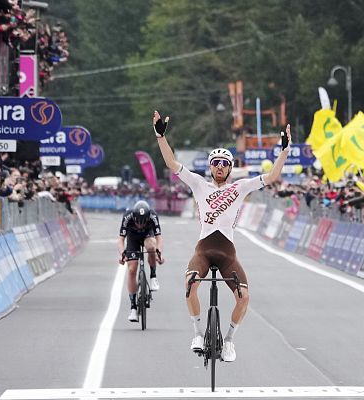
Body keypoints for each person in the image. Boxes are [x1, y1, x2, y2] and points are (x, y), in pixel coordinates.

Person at [153, 110, 291, 362]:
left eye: (225, 163)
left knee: (244, 297)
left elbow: (271, 177)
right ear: (210, 167)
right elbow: (172, 165)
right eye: (215, 163)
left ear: (230, 168)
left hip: (228, 254)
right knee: (189, 286)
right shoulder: (198, 184)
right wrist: (161, 137)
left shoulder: (240, 187)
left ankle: (228, 341)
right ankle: (196, 333)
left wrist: (283, 151)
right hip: (203, 251)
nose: (219, 166)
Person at [117, 199, 164, 322]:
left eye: (144, 222)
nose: (140, 225)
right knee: (132, 269)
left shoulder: (153, 215)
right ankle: (133, 308)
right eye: (138, 222)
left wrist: (159, 253)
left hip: (148, 236)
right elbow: (121, 239)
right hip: (132, 238)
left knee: (151, 247)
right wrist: (122, 254)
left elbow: (159, 238)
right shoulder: (127, 216)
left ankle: (153, 276)